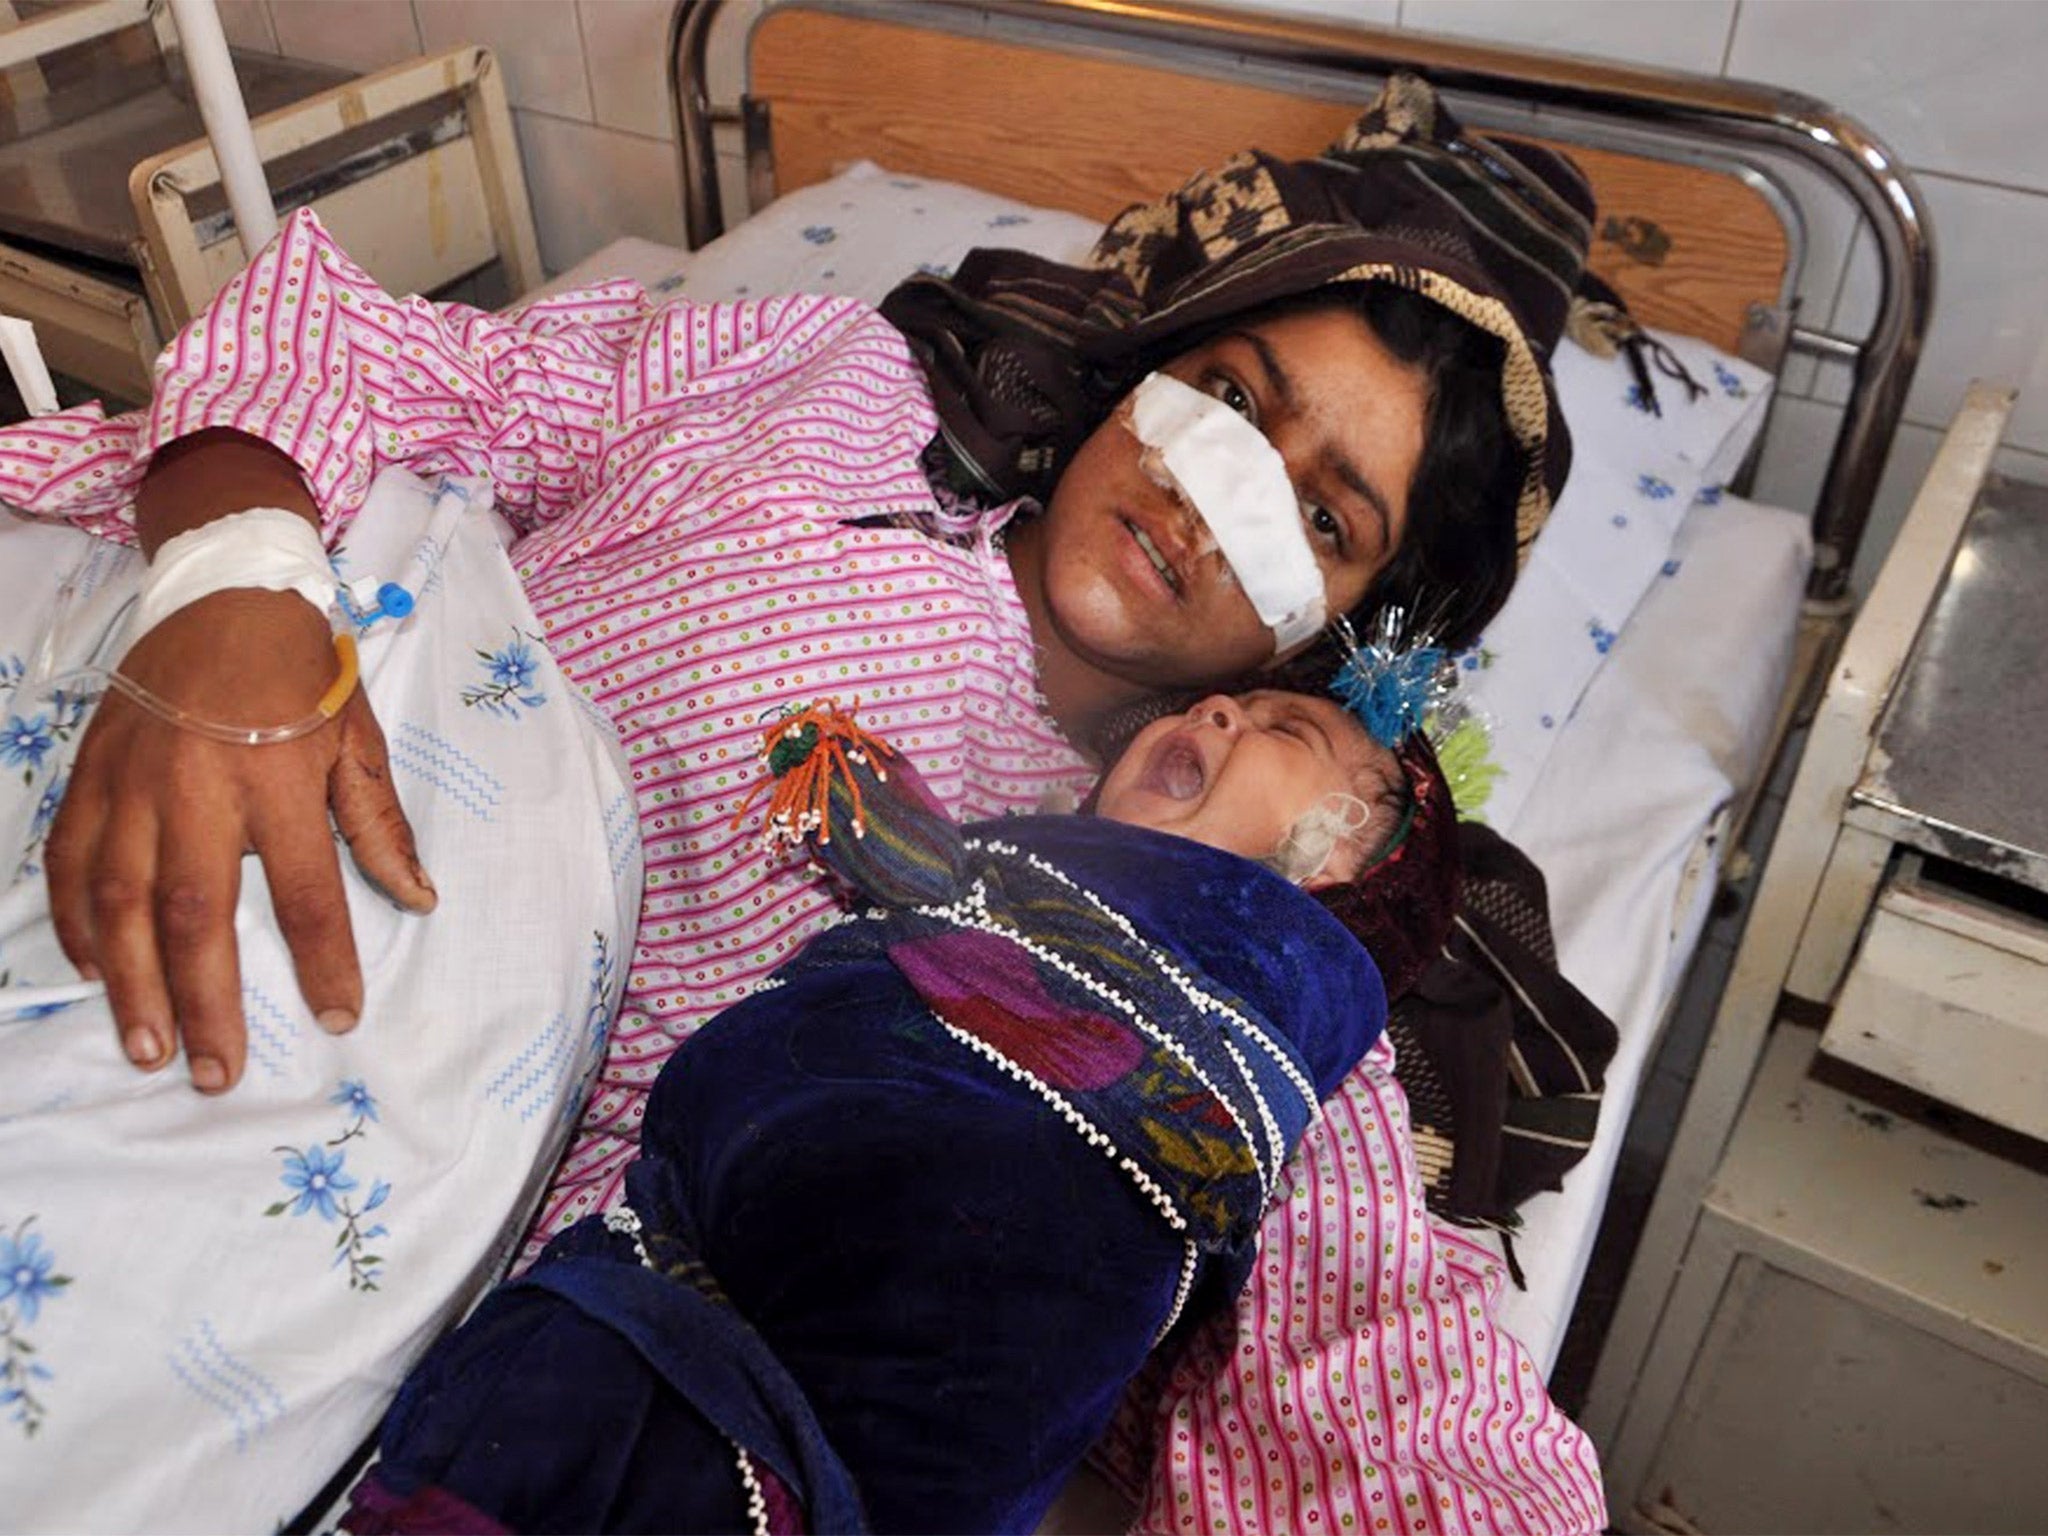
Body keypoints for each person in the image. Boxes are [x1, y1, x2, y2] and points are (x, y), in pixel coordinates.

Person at [0, 73, 1608, 1533]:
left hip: (330, 1172)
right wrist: (236, 583)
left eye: (1323, 517)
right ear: (1137, 373)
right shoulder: (837, 387)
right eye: (1234, 397)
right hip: (211, 705)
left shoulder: (1164, 918)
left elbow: (1377, 1342)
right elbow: (404, 364)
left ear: (1337, 646)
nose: (1221, 487)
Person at [342, 688, 1456, 1536]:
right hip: (645, 1301)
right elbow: (912, 858)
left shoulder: (1275, 1038)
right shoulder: (997, 880)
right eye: (1225, 698)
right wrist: (837, 770)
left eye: (1282, 732)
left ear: (1335, 873)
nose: (1216, 707)